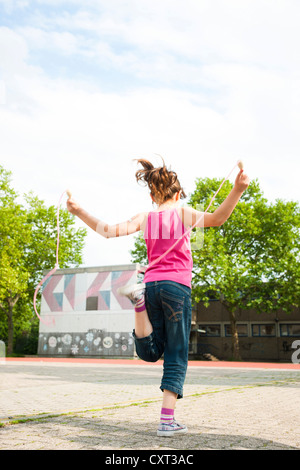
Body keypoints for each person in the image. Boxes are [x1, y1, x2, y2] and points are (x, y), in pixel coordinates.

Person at [66, 157, 250, 437]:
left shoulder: (145, 218)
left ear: (153, 196)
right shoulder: (183, 212)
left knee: (150, 352)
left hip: (150, 285)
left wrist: (79, 210)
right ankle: (166, 421)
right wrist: (237, 189)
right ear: (178, 194)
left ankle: (138, 303)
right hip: (176, 288)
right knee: (176, 353)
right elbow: (218, 219)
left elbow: (107, 231)